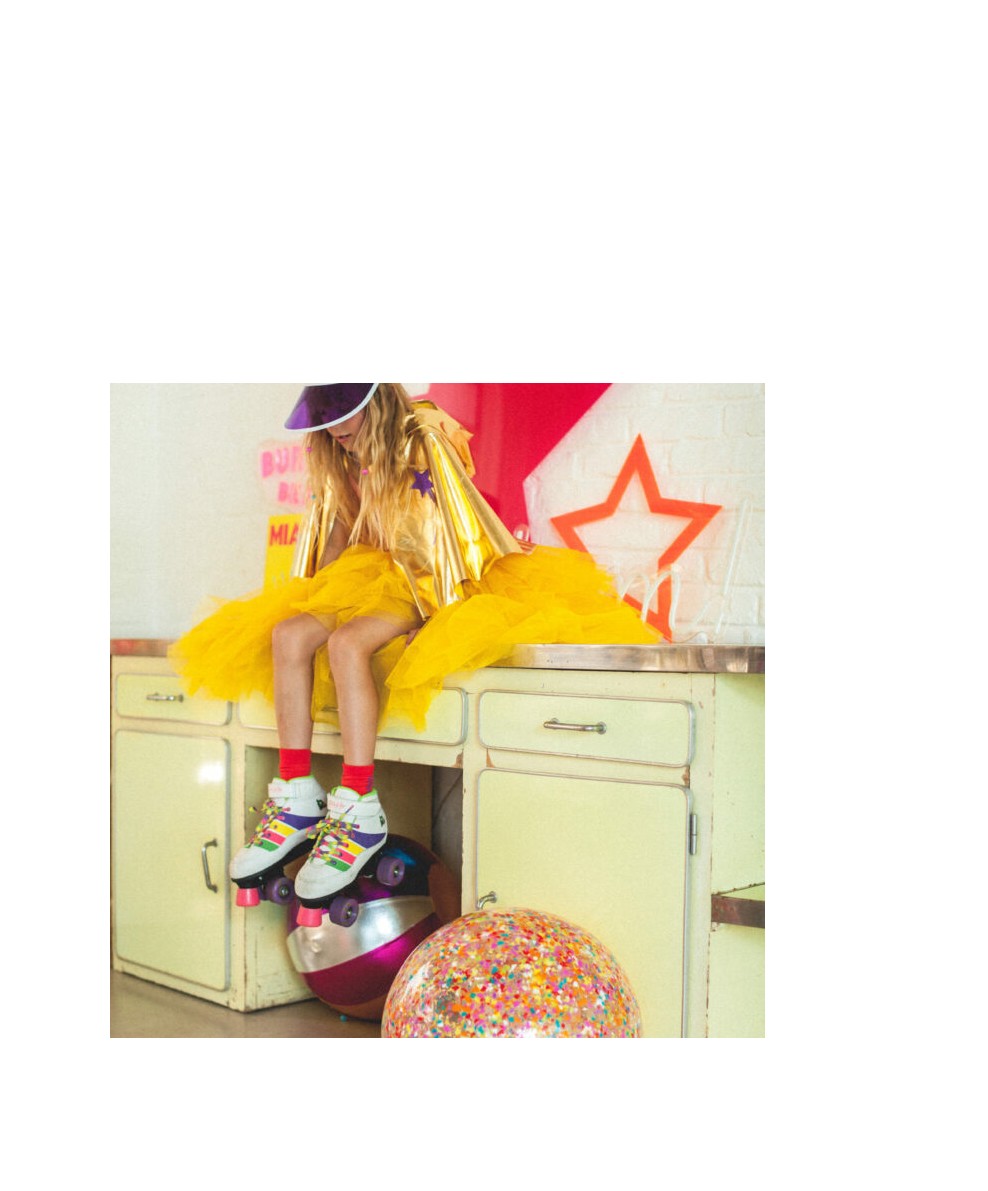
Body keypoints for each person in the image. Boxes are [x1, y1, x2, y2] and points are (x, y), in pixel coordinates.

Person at [171, 383, 659, 910]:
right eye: (327, 418)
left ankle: (358, 803)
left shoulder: (419, 435)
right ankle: (295, 795)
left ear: (374, 401)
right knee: (288, 634)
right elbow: (337, 539)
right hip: (370, 577)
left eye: (346, 415)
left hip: (428, 578)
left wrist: (434, 614)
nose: (337, 429)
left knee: (348, 644)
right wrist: (317, 597)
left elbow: (445, 532)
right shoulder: (338, 455)